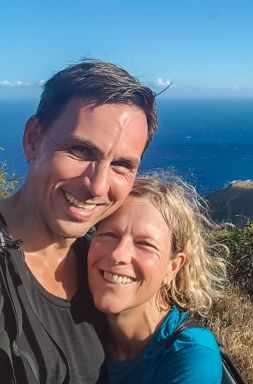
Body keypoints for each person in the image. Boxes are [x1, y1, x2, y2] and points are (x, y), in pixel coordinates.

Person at [0, 60, 157, 383]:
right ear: (33, 139)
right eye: (81, 151)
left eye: (122, 165)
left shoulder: (106, 267)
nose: (98, 186)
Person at [88, 174, 226, 383]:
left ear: (172, 267)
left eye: (144, 244)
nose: (118, 254)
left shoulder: (191, 355)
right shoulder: (79, 326)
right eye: (109, 235)